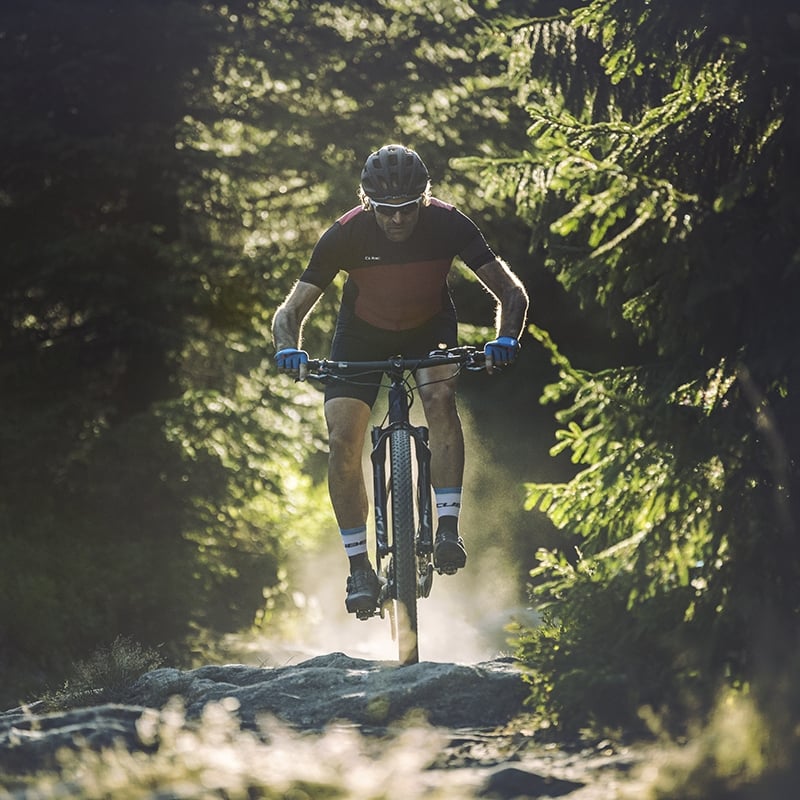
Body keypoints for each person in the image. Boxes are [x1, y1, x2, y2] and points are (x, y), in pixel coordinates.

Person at [272, 144, 528, 616]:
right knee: (342, 437)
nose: (397, 220)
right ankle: (359, 569)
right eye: (386, 211)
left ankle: (447, 528)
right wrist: (289, 349)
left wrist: (505, 339)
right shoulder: (346, 234)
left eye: (407, 209)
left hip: (430, 328)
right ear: (368, 203)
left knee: (439, 395)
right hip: (360, 337)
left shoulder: (449, 224)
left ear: (424, 199)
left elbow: (511, 293)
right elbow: (289, 313)